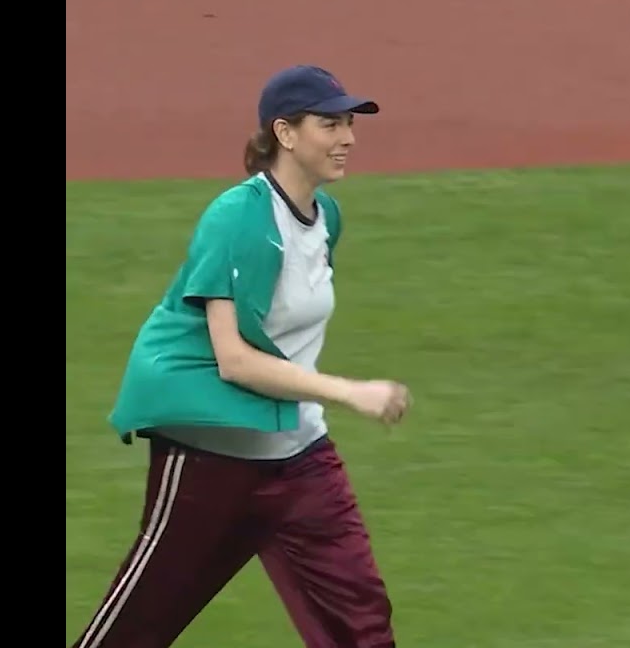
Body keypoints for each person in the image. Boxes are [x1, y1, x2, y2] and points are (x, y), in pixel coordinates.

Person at [69, 65, 411, 648]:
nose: (348, 137)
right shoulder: (237, 217)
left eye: (349, 123)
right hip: (212, 461)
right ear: (285, 133)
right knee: (138, 626)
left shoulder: (326, 218)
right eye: (330, 124)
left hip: (300, 459)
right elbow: (236, 360)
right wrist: (349, 391)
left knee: (362, 623)